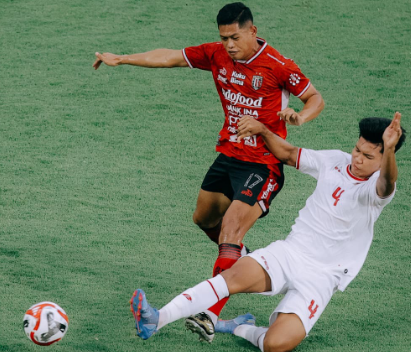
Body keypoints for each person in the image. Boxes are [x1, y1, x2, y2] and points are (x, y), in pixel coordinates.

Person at [95, 2, 325, 329]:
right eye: (223, 38)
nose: (229, 45)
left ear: (252, 31)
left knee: (230, 232)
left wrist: (299, 116)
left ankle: (210, 315)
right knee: (203, 219)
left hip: (263, 164)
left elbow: (315, 98)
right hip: (228, 155)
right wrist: (123, 58)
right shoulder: (216, 54)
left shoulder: (278, 65)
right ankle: (238, 262)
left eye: (234, 37)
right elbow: (172, 56)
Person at [129, 112, 405, 351]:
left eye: (368, 156)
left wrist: (390, 150)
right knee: (231, 277)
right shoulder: (334, 160)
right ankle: (156, 319)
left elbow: (387, 182)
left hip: (322, 277)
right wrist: (263, 129)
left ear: (382, 160)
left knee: (276, 344)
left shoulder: (375, 191)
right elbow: (287, 154)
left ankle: (236, 328)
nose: (357, 158)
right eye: (357, 149)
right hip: (290, 253)